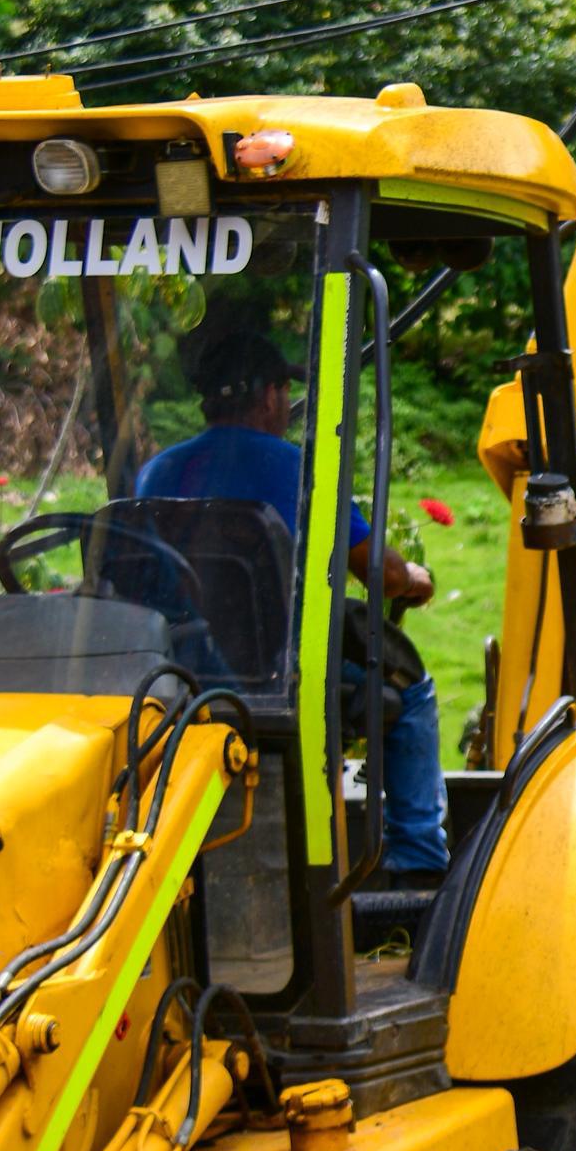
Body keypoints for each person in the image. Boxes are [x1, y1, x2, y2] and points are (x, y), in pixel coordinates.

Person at [138, 318, 451, 883]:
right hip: (280, 676)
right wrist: (415, 580)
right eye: (284, 391)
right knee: (412, 694)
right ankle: (417, 862)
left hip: (179, 673)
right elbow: (376, 569)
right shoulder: (295, 468)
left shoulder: (157, 470)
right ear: (270, 396)